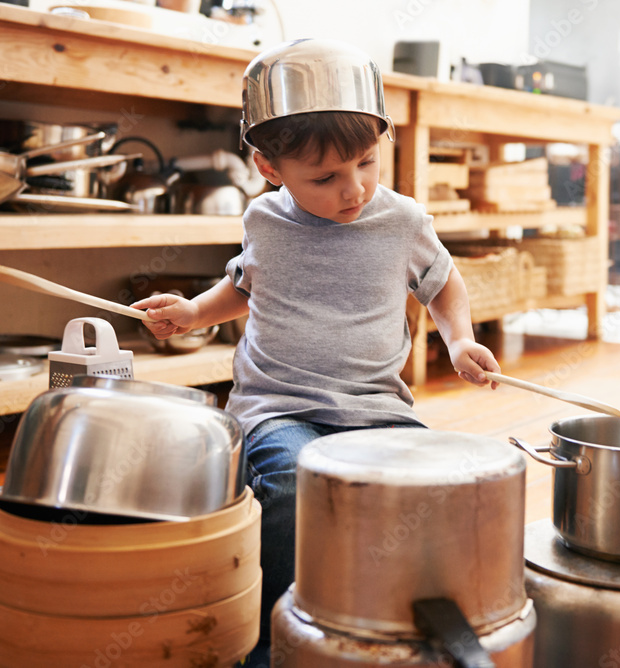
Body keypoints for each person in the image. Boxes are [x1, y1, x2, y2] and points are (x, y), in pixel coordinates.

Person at [131, 38, 501, 664]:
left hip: (379, 407)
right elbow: (244, 285)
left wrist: (459, 338)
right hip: (281, 407)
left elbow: (443, 284)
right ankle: (273, 639)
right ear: (269, 169)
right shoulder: (263, 222)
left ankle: (382, 617)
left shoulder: (404, 220)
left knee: (420, 494)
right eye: (325, 178)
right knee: (295, 490)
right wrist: (194, 312)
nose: (353, 189)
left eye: (366, 163)